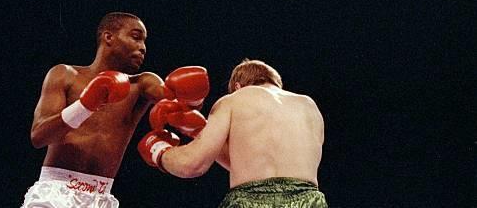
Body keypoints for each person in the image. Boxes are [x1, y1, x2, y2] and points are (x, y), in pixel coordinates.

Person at [23, 12, 210, 208]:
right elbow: (39, 136)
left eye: (144, 42)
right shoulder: (64, 75)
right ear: (109, 37)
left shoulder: (142, 84)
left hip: (101, 197)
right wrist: (85, 105)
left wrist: (195, 98)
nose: (143, 48)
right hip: (55, 191)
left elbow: (180, 107)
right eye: (136, 37)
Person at [138, 59, 328, 208]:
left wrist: (158, 150)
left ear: (237, 86)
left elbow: (192, 165)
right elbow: (255, 162)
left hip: (249, 201)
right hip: (308, 201)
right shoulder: (309, 106)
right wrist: (198, 132)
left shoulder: (233, 100)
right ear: (276, 83)